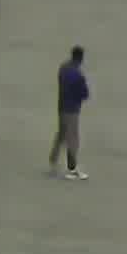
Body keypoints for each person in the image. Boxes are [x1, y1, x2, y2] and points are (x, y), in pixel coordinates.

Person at [50, 46, 90, 178]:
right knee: (73, 139)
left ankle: (53, 160)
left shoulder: (63, 68)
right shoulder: (78, 75)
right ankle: (72, 169)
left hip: (61, 106)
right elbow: (85, 94)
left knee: (61, 134)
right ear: (81, 58)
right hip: (72, 109)